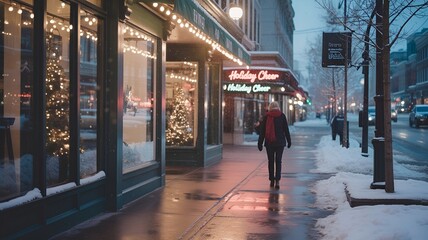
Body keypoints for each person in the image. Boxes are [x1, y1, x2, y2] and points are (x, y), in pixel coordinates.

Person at [257, 101, 291, 189]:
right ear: (278, 107)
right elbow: (286, 130)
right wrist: (289, 141)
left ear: (270, 107)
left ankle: (272, 179)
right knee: (278, 161)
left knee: (271, 161)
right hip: (280, 142)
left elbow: (262, 131)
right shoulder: (282, 116)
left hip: (269, 142)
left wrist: (260, 143)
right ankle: (277, 181)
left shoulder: (266, 116)